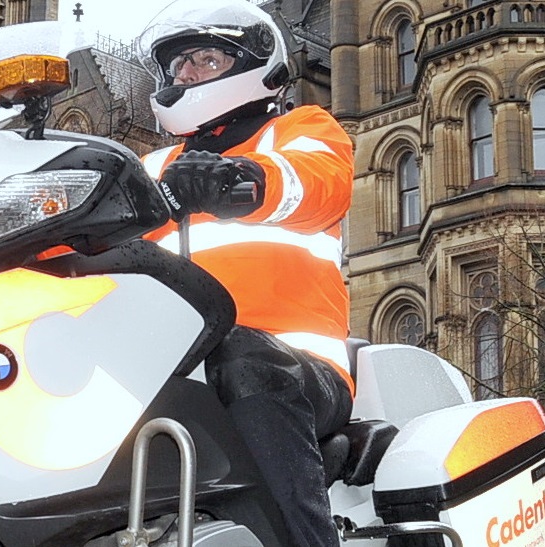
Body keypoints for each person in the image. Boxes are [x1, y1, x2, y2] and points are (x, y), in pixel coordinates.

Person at [134, 1, 355, 545]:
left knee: (241, 354)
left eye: (204, 59)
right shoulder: (153, 168)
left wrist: (244, 179)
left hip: (300, 371)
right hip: (175, 368)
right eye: (177, 64)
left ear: (255, 66)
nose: (184, 74)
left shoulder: (300, 130)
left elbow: (317, 182)